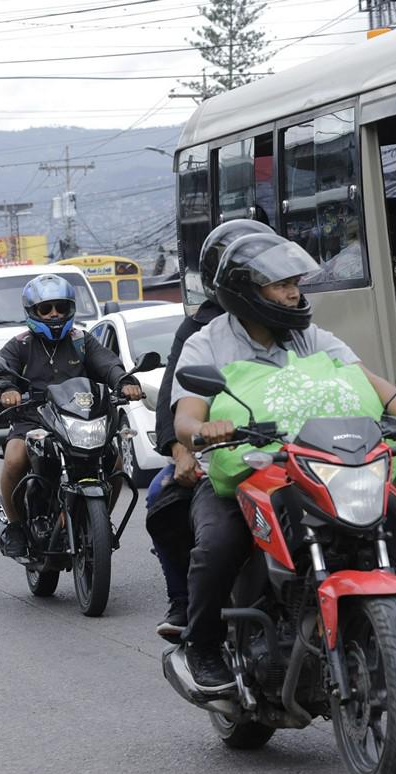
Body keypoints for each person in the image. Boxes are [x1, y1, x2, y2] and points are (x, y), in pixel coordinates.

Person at [170, 233, 396, 692]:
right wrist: (203, 430)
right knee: (217, 545)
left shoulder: (310, 336)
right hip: (247, 472)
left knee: (383, 512)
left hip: (316, 467)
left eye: (295, 282)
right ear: (244, 290)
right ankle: (203, 645)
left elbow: (365, 378)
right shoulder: (208, 343)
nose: (294, 293)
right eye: (280, 285)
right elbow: (186, 415)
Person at [147, 218, 273, 641]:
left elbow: (346, 377)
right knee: (161, 497)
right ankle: (187, 605)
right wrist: (184, 450)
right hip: (226, 455)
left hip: (292, 453)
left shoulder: (299, 327)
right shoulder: (201, 331)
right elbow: (175, 402)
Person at [0, 274, 143, 558]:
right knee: (14, 459)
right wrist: (6, 389)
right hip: (33, 420)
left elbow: (107, 364)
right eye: (46, 309)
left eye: (60, 306)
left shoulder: (82, 341)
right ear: (32, 312)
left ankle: (100, 520)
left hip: (78, 419)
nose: (54, 314)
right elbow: (1, 372)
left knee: (115, 461)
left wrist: (124, 381)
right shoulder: (20, 345)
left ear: (70, 308)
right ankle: (16, 526)